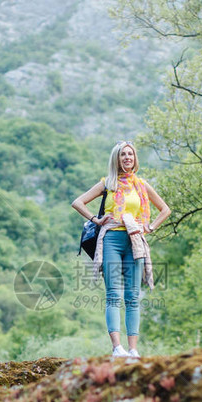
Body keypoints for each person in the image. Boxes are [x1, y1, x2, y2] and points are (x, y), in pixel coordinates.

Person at [72, 141, 171, 357]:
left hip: (134, 241)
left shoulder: (142, 185)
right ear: (116, 159)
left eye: (130, 154)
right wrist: (95, 219)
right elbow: (78, 202)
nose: (127, 158)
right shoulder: (107, 183)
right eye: (123, 155)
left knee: (133, 296)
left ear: (135, 159)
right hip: (112, 240)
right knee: (113, 294)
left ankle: (133, 350)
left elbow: (165, 209)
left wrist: (151, 226)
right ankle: (117, 348)